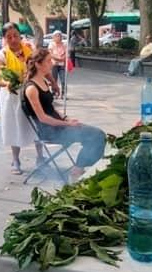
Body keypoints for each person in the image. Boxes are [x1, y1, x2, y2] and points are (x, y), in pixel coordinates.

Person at [22, 49, 106, 182]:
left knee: (97, 135)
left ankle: (79, 166)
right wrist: (67, 124)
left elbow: (51, 108)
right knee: (96, 135)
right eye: (48, 61)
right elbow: (43, 118)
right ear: (38, 64)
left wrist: (66, 118)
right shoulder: (31, 88)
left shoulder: (43, 81)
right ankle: (77, 169)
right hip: (49, 131)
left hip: (58, 125)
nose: (51, 63)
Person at [0, 23, 60, 175]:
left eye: (15, 35)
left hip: (32, 91)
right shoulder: (1, 55)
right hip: (12, 95)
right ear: (4, 38)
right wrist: (7, 83)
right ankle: (16, 160)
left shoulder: (29, 49)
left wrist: (53, 82)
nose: (13, 39)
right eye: (9, 37)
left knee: (37, 124)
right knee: (13, 126)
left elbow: (42, 66)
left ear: (20, 35)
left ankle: (41, 158)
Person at [47, 30, 67, 98]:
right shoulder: (51, 44)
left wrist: (63, 59)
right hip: (54, 65)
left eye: (59, 36)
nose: (58, 37)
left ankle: (63, 94)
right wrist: (58, 59)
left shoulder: (64, 44)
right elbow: (50, 54)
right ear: (53, 37)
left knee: (63, 80)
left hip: (62, 65)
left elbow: (66, 54)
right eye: (56, 36)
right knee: (53, 80)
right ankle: (54, 92)